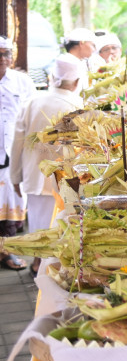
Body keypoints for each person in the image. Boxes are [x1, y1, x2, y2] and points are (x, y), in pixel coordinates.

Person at [10, 55, 85, 275]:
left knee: (38, 221)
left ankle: (37, 261)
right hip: (65, 178)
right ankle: (51, 266)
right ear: (78, 82)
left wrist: (15, 177)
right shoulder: (77, 105)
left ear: (51, 77)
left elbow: (17, 143)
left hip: (35, 175)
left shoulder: (32, 101)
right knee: (60, 224)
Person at [0, 37, 37, 270]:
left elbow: (32, 115)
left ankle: (6, 252)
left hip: (12, 152)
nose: (4, 59)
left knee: (10, 206)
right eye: (0, 54)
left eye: (7, 54)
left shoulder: (22, 82)